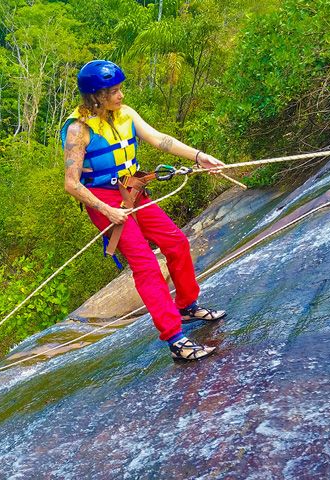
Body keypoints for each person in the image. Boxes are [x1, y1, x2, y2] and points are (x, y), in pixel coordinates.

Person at [61, 60, 226, 361]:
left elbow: (161, 140)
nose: (120, 95)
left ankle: (186, 305)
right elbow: (72, 184)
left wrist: (199, 156)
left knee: (176, 241)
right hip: (102, 199)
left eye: (120, 89)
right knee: (146, 265)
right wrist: (107, 211)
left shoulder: (126, 115)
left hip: (132, 189)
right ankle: (176, 339)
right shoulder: (78, 130)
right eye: (113, 91)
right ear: (95, 95)